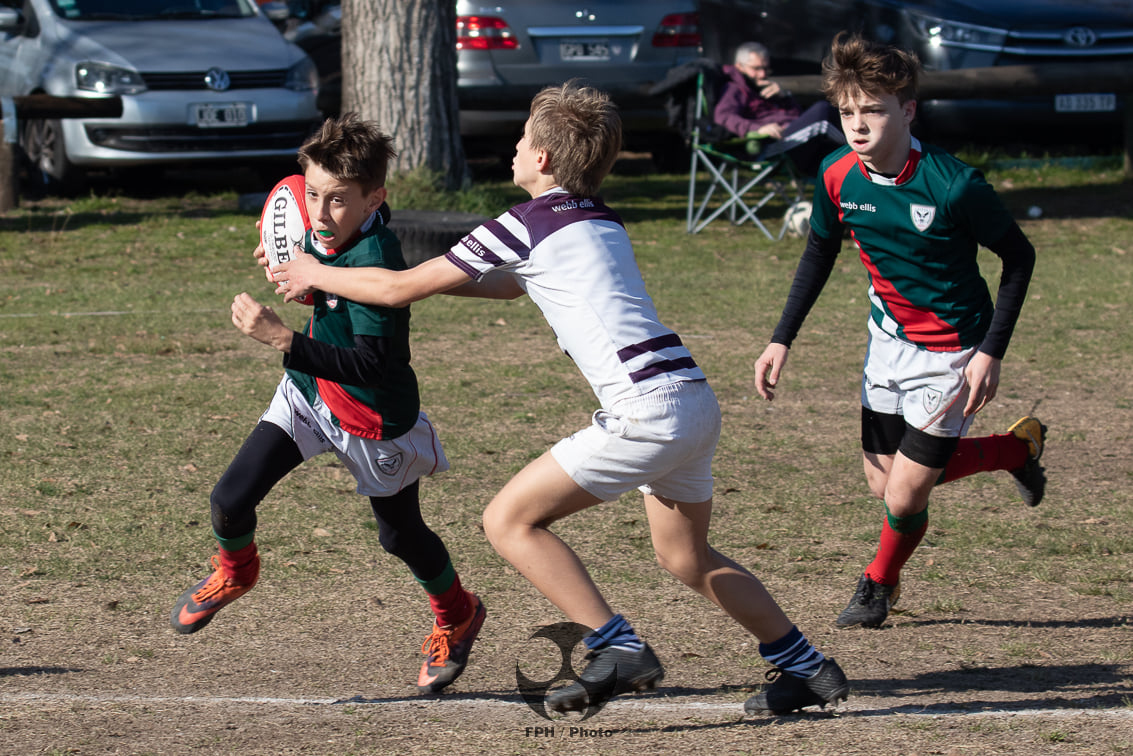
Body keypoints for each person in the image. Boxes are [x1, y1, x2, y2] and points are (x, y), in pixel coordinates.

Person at [267, 81, 850, 717]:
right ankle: (805, 666)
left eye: (521, 140)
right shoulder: (595, 216)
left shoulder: (525, 221)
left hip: (644, 410)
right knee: (685, 554)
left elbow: (403, 287)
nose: (513, 150)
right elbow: (506, 288)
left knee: (507, 521)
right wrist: (353, 278)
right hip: (691, 400)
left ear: (541, 157)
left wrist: (315, 272)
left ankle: (617, 646)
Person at [170, 114, 486, 696]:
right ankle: (236, 571)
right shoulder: (325, 225)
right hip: (310, 393)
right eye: (312, 193)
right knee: (228, 500)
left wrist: (282, 338)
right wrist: (285, 259)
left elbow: (369, 364)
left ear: (375, 198)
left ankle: (458, 612)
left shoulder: (379, 259)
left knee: (400, 536)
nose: (320, 213)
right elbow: (312, 256)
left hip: (371, 418)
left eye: (339, 201)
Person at [753, 32, 1048, 630]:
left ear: (907, 111)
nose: (858, 125)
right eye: (847, 113)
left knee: (905, 497)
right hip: (885, 342)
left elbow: (1019, 258)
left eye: (874, 111)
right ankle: (1016, 449)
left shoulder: (953, 184)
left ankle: (877, 586)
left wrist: (989, 352)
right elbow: (817, 254)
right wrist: (781, 338)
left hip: (951, 353)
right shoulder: (837, 175)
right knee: (882, 482)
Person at [713, 41, 843, 175]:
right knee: (822, 112)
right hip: (771, 145)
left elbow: (797, 115)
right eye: (756, 68)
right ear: (739, 66)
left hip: (795, 139)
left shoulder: (763, 87)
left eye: (765, 68)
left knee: (839, 157)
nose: (762, 74)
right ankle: (860, 143)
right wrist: (758, 129)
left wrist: (784, 96)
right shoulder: (734, 88)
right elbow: (723, 116)